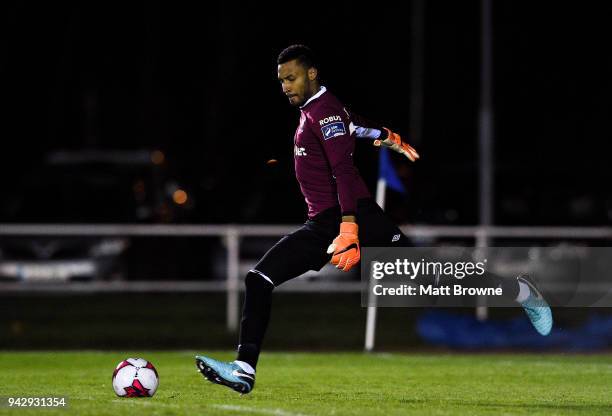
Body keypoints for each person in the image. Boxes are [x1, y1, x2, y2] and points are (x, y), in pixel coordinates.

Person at [195, 45, 552, 394]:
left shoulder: (325, 113)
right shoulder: (319, 110)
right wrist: (388, 137)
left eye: (292, 77)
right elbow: (356, 126)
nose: (285, 85)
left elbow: (344, 171)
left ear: (312, 73)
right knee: (259, 279)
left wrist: (350, 227)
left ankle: (521, 290)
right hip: (323, 224)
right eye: (281, 80)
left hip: (355, 217)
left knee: (430, 281)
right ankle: (244, 370)